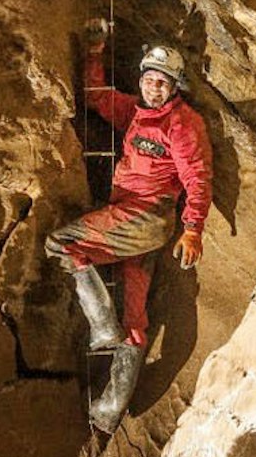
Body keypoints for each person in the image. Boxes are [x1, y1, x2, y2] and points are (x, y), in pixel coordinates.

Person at [45, 22, 212, 353]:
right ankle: (126, 364)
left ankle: (103, 327)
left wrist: (193, 228)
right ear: (141, 81)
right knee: (134, 312)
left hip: (145, 216)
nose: (154, 88)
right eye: (149, 80)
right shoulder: (136, 111)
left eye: (162, 83)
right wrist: (95, 53)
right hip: (133, 217)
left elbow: (198, 176)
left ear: (175, 87)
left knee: (61, 244)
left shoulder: (183, 124)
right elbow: (97, 98)